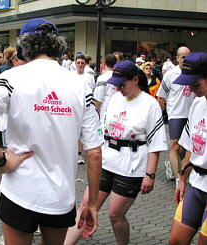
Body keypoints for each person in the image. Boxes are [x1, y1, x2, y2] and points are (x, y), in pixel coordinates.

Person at [0, 18, 102, 245]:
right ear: (58, 45)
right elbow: (94, 152)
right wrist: (92, 203)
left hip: (19, 190)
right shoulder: (80, 85)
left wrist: (1, 162)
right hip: (60, 195)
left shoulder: (12, 77)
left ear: (24, 46)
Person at [64, 60, 168, 245]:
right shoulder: (115, 99)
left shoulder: (150, 104)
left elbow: (156, 143)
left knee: (115, 215)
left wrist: (150, 174)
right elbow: (102, 129)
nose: (119, 89)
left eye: (123, 84)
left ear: (135, 80)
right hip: (108, 159)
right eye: (116, 85)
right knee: (85, 207)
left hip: (132, 164)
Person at [168, 52, 207, 245]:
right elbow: (191, 146)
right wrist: (182, 179)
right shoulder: (197, 103)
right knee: (175, 241)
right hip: (196, 184)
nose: (192, 90)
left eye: (196, 84)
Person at [156, 46, 195, 185]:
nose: (185, 59)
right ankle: (179, 178)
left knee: (185, 148)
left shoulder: (195, 73)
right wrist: (165, 113)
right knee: (175, 146)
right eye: (183, 57)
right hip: (176, 114)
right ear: (177, 58)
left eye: (188, 56)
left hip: (192, 115)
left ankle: (170, 164)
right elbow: (161, 96)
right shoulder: (170, 74)